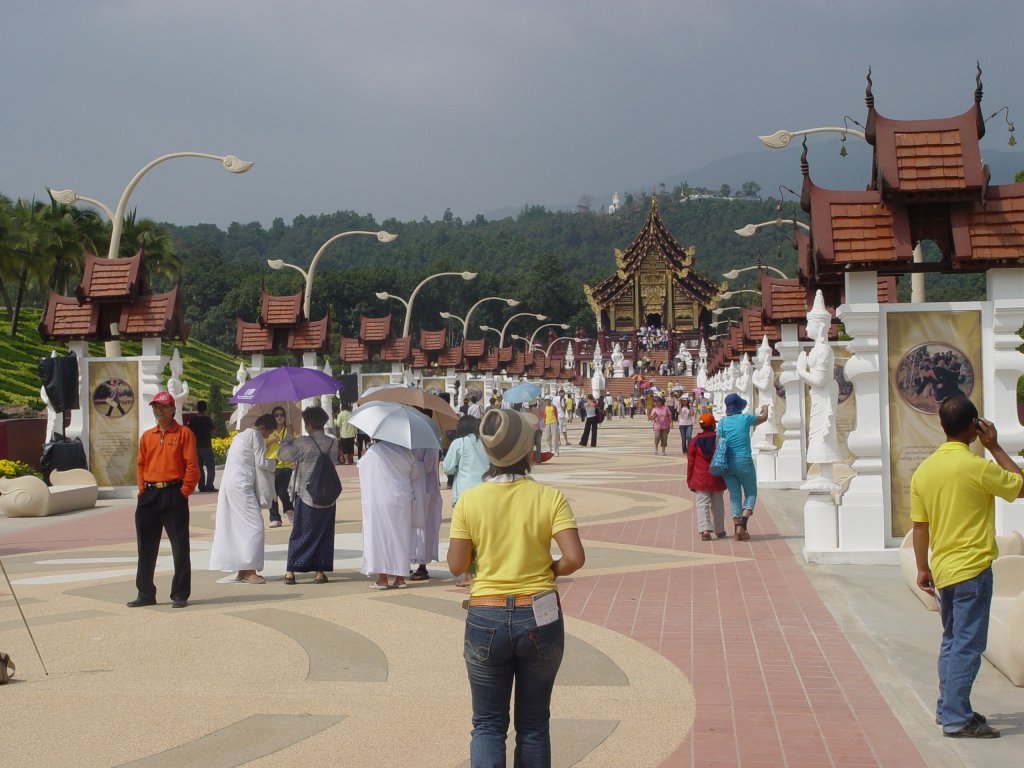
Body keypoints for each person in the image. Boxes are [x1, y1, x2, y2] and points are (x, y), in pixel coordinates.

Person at [447, 408, 586, 766]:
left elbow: (456, 565)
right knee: (534, 723)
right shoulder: (549, 497)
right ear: (528, 451)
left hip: (486, 612)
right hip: (539, 611)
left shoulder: (470, 500)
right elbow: (574, 558)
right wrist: (549, 570)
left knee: (488, 724)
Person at [911, 396, 1023, 738]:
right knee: (968, 645)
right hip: (973, 569)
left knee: (952, 641)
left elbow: (920, 527)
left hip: (944, 568)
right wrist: (996, 446)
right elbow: (1019, 485)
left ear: (942, 425)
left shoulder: (925, 470)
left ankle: (949, 708)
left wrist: (922, 568)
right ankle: (957, 718)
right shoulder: (978, 466)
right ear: (975, 427)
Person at [128, 391, 199, 609]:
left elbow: (192, 466)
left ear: (172, 409)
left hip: (173, 493)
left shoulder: (184, 433)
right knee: (146, 547)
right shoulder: (147, 436)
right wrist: (141, 489)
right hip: (149, 495)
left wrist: (184, 491)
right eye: (155, 407)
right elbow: (140, 464)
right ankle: (145, 592)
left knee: (179, 546)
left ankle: (179, 593)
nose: (158, 410)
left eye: (162, 406)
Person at [209, 413, 277, 584]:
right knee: (255, 526)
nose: (267, 436)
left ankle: (242, 569)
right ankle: (250, 570)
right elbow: (261, 462)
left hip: (230, 484)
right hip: (242, 485)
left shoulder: (240, 436)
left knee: (240, 526)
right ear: (265, 429)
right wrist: (275, 462)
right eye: (268, 433)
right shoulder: (257, 436)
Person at [279, 406, 337, 585]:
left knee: (301, 532)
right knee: (324, 534)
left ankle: (291, 571)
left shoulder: (304, 442)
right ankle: (320, 572)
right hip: (328, 494)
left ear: (309, 424)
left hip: (307, 494)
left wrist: (287, 436)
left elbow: (283, 455)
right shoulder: (333, 442)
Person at [359, 438, 418, 589]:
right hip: (401, 500)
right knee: (401, 537)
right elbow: (414, 475)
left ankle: (383, 578)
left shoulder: (374, 451)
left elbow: (361, 466)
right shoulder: (407, 452)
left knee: (380, 536)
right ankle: (400, 578)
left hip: (380, 499)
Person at [442, 415, 491, 587]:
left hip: (465, 494)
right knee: (483, 534)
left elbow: (447, 467)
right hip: (487, 491)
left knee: (465, 536)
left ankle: (469, 575)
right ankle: (483, 570)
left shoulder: (459, 443)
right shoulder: (486, 442)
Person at [718, 393, 767, 541]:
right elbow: (763, 418)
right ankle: (743, 525)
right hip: (744, 460)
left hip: (727, 462)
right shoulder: (745, 419)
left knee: (734, 496)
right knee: (751, 492)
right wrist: (765, 407)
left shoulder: (722, 422)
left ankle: (736, 528)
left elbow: (718, 442)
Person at [688, 413, 727, 541]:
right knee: (718, 505)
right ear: (713, 425)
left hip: (700, 478)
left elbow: (691, 463)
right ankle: (720, 530)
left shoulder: (694, 441)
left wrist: (690, 480)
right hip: (717, 477)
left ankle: (705, 530)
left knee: (702, 504)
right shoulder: (719, 439)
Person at [264, 406, 296, 528]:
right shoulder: (268, 432)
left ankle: (289, 511)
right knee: (272, 494)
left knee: (284, 491)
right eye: (276, 415)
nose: (279, 417)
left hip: (286, 465)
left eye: (282, 415)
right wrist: (270, 440)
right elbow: (261, 446)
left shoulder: (289, 430)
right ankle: (275, 518)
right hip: (272, 465)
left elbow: (295, 446)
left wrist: (291, 433)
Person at [187, 400, 216, 492]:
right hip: (206, 446)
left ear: (197, 408)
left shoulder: (192, 420)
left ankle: (201, 486)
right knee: (210, 467)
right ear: (205, 408)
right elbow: (213, 433)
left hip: (196, 447)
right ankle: (209, 485)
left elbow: (189, 433)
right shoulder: (207, 420)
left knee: (199, 467)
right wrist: (213, 422)